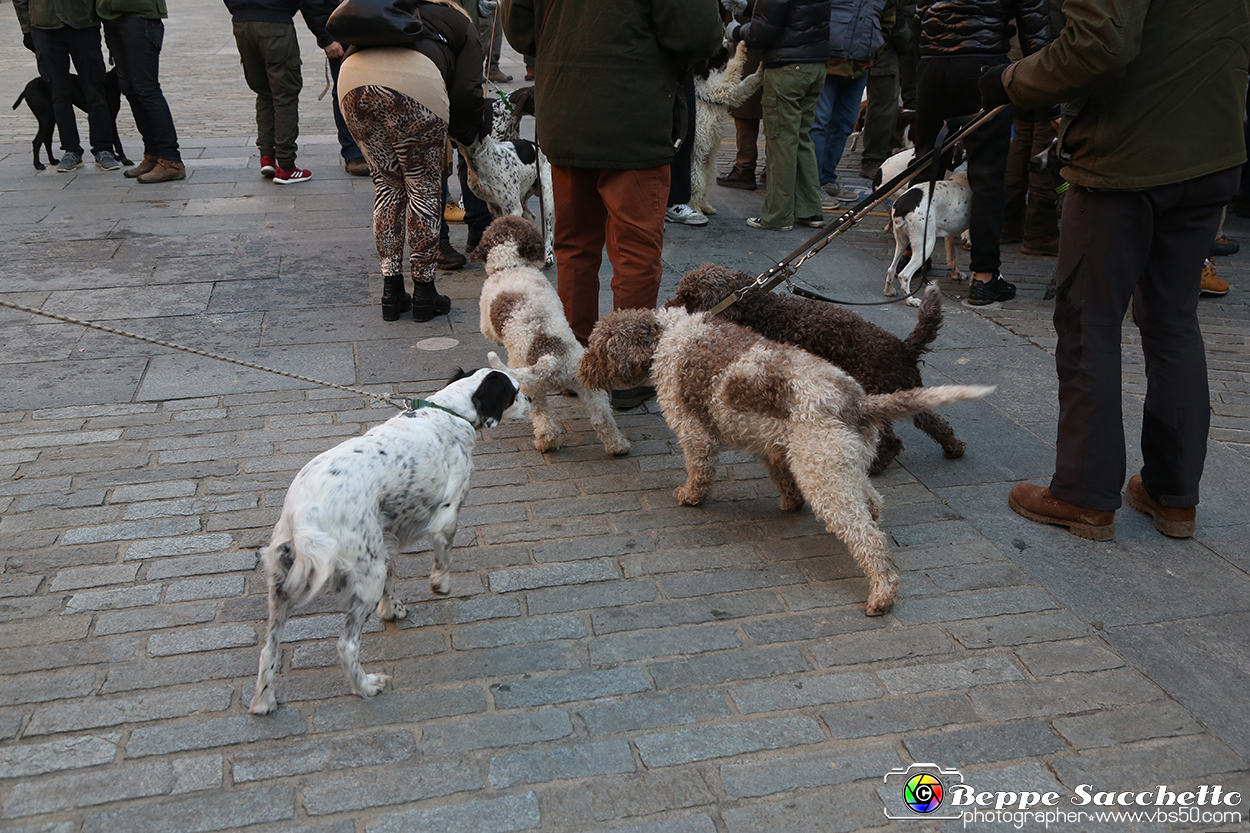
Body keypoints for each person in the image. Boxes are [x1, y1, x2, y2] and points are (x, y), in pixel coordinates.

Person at [985, 0, 1249, 540]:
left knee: (1090, 326)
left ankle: (1083, 495)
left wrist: (1013, 79)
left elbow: (1101, 44)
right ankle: (1173, 495)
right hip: (1210, 150)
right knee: (1173, 322)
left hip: (1125, 159)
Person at [502, 0, 723, 408]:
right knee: (635, 251)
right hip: (635, 117)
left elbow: (520, 33)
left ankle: (576, 361)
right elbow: (697, 35)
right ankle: (625, 370)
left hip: (567, 113)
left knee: (574, 247)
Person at [336, 0, 488, 322]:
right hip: (414, 85)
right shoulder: (459, 19)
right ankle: (424, 292)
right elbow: (466, 92)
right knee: (422, 187)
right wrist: (462, 133)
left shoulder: (383, 9)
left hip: (352, 82)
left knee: (387, 186)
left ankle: (391, 292)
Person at [913, 0, 1050, 305]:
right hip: (983, 62)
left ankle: (915, 256)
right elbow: (1036, 29)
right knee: (987, 175)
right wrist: (1051, 103)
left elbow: (919, 12)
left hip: (933, 61)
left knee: (926, 161)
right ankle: (984, 277)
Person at [727, 0, 831, 232]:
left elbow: (762, 32)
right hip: (815, 64)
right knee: (801, 139)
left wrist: (736, 30)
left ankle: (777, 215)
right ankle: (810, 210)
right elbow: (792, 11)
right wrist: (749, 7)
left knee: (780, 142)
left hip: (787, 67)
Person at [224, 0, 330, 184]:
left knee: (264, 92)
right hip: (276, 24)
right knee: (285, 95)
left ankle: (267, 157)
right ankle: (287, 167)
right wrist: (325, 36)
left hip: (242, 24)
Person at [14, 0, 117, 173]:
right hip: (44, 27)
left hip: (83, 24)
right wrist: (27, 27)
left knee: (95, 90)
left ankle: (103, 148)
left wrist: (108, 24)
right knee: (58, 94)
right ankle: (71, 150)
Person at [810, 0, 894, 206]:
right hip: (826, 63)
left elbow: (888, 20)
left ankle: (827, 178)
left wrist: (875, 50)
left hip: (860, 65)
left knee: (844, 124)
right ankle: (811, 188)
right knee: (818, 123)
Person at [97, 0, 184, 183]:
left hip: (139, 15)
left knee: (147, 89)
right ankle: (153, 154)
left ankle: (171, 160)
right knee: (131, 89)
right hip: (111, 16)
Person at [304, 0, 370, 177]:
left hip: (377, 31)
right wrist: (326, 38)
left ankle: (380, 152)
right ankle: (354, 153)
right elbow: (312, 4)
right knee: (346, 93)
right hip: (342, 37)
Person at [858, 0, 912, 182]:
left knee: (887, 103)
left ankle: (882, 156)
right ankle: (873, 158)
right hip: (882, 40)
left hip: (893, 39)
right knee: (882, 105)